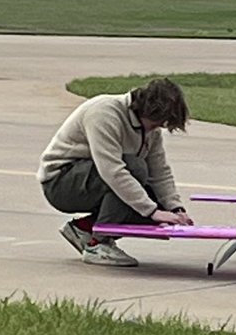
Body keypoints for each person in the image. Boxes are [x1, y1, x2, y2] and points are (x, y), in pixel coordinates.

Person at [37, 77, 194, 267]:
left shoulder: (149, 130)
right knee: (135, 170)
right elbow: (112, 171)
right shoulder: (104, 113)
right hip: (61, 183)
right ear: (143, 109)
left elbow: (160, 171)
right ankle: (97, 244)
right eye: (155, 124)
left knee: (156, 213)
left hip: (96, 179)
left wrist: (175, 209)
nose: (157, 129)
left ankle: (84, 229)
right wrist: (152, 211)